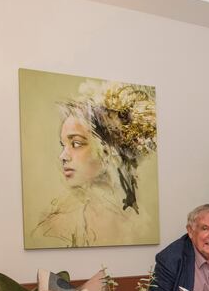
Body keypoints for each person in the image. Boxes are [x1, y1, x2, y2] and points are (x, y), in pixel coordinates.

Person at [32, 81, 157, 247]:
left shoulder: (141, 223)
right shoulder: (57, 226)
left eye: (76, 143)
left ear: (108, 151)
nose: (63, 156)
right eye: (64, 145)